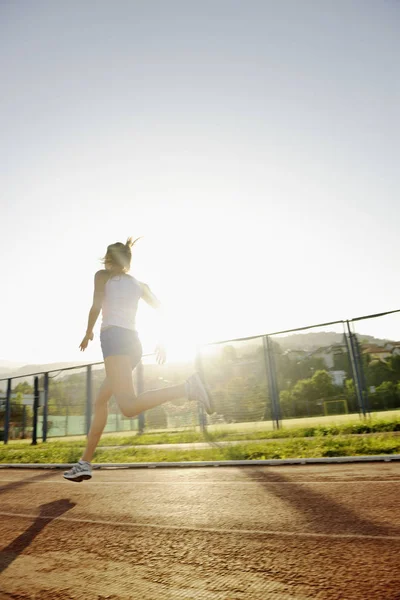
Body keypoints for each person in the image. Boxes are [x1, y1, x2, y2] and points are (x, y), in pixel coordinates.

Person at [63, 237, 214, 482]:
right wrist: (163, 340)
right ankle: (84, 463)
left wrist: (88, 331)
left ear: (109, 260)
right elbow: (164, 310)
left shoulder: (102, 276)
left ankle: (187, 388)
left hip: (114, 340)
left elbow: (95, 306)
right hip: (132, 343)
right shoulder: (140, 285)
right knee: (100, 401)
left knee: (129, 407)